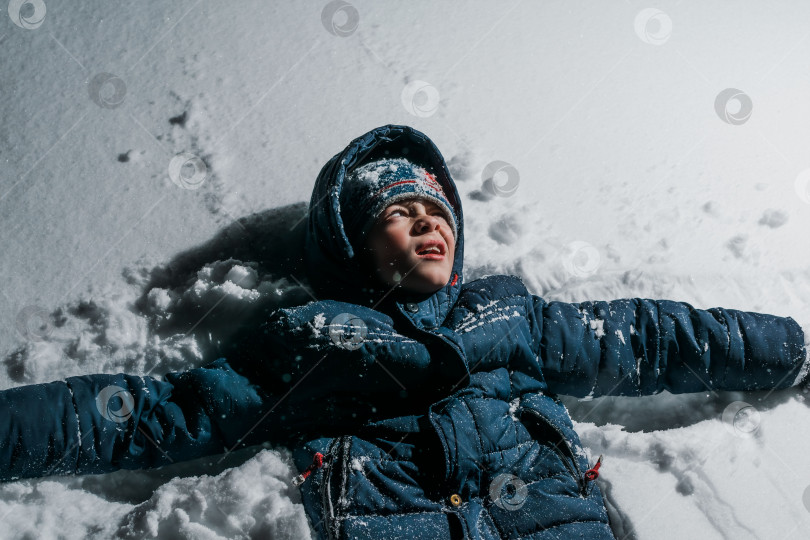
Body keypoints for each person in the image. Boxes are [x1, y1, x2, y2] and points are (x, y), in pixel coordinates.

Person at [1, 124, 808, 539]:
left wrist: (796, 351)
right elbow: (151, 413)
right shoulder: (313, 342)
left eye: (436, 211)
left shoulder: (507, 316)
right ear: (354, 244)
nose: (428, 225)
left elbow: (658, 339)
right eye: (397, 212)